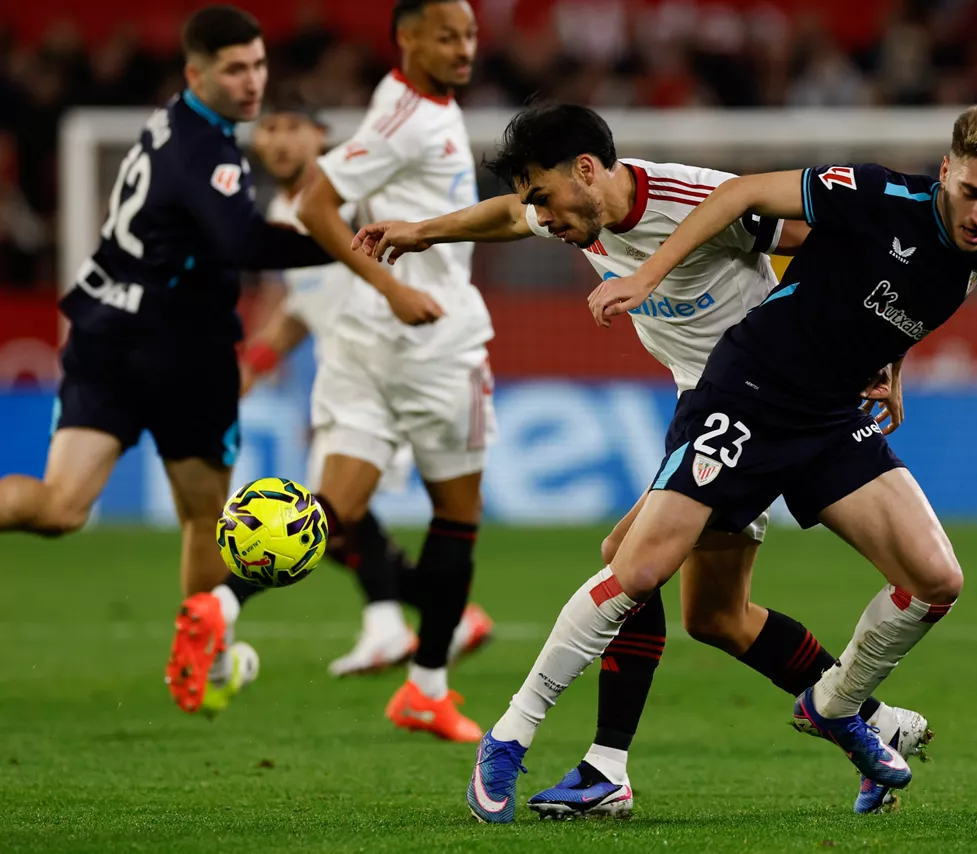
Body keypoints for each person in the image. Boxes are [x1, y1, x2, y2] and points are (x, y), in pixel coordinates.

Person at [463, 102, 977, 823]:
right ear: (947, 170)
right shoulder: (870, 193)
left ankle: (838, 709)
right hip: (746, 394)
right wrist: (646, 279)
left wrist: (891, 365)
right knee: (634, 569)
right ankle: (511, 736)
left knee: (935, 581)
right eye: (972, 192)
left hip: (829, 417)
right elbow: (736, 195)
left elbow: (908, 296)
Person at [354, 103, 930, 818]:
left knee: (627, 558)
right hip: (721, 408)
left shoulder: (697, 202)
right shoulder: (575, 207)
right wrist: (421, 231)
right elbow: (507, 217)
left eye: (545, 196)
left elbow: (838, 243)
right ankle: (869, 724)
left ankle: (588, 762)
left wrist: (878, 351)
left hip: (760, 406)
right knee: (717, 616)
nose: (543, 217)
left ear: (587, 170)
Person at [0, 5, 426, 717]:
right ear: (197, 73)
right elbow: (242, 243)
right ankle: (210, 653)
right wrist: (344, 242)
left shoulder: (169, 126)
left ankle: (210, 656)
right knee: (204, 515)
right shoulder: (206, 147)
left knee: (59, 506)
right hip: (180, 351)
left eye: (259, 64)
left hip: (103, 329)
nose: (253, 80)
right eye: (236, 68)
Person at [288, 0, 493, 742]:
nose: (464, 47)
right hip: (429, 341)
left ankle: (220, 607)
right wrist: (392, 286)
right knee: (453, 518)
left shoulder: (411, 100)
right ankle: (426, 686)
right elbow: (316, 203)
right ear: (405, 36)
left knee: (338, 516)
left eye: (470, 33)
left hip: (402, 338)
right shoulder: (409, 116)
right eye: (447, 35)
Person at [243, 102, 491, 678]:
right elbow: (301, 309)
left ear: (321, 135)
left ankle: (401, 624)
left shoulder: (351, 193)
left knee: (324, 520)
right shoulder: (282, 209)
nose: (279, 141)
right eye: (270, 128)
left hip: (395, 371)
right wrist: (254, 362)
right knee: (329, 525)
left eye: (292, 127)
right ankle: (423, 620)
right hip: (345, 378)